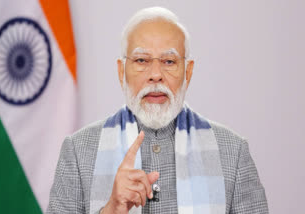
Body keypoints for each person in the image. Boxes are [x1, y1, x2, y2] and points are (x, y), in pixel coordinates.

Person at [47, 7, 268, 214]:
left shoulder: (233, 152)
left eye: (169, 61)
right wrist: (111, 209)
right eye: (141, 60)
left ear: (188, 72)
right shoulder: (77, 151)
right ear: (121, 71)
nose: (155, 74)